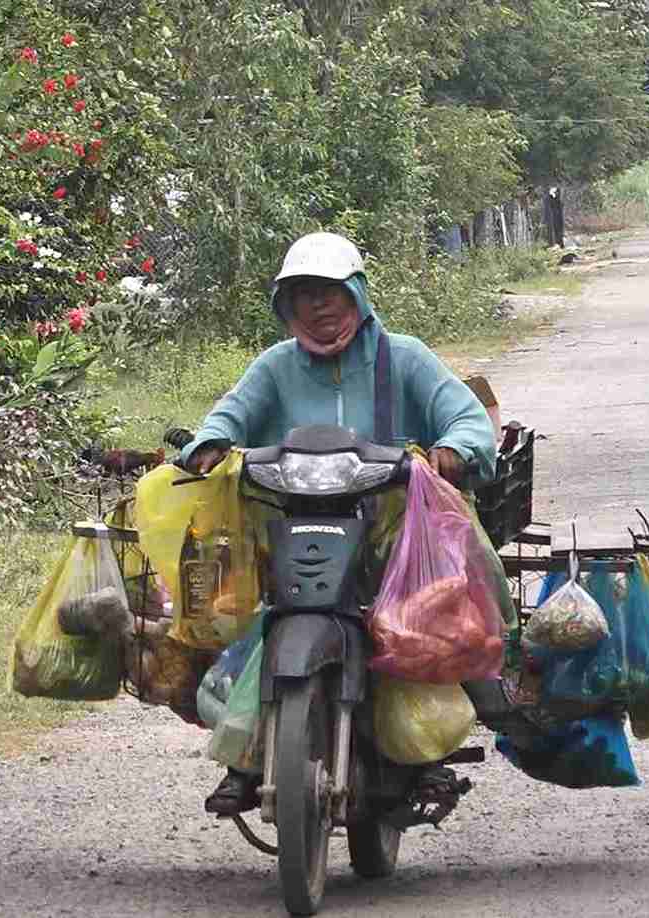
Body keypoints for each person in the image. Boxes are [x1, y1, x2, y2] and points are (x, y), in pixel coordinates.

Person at [178, 231, 500, 815]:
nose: (319, 308)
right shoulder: (276, 367)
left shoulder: (402, 357)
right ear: (286, 307)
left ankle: (425, 750)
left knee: (426, 618)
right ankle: (245, 757)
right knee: (254, 616)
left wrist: (458, 448)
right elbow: (232, 412)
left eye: (330, 293)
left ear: (357, 296)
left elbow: (466, 416)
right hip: (294, 528)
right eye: (303, 296)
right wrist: (210, 441)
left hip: (388, 534)